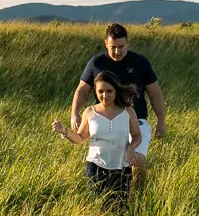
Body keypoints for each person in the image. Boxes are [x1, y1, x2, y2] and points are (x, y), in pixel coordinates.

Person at [70, 23, 166, 190]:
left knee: (136, 159)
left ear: (127, 42)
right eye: (113, 47)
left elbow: (155, 93)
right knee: (108, 163)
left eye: (121, 47)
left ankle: (137, 195)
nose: (117, 52)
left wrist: (161, 120)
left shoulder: (140, 62)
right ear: (105, 43)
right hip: (105, 120)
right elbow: (82, 90)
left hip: (137, 120)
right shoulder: (96, 63)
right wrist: (75, 114)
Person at [52, 71, 143, 208]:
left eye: (109, 91)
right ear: (95, 90)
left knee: (121, 208)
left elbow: (137, 135)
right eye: (100, 91)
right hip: (96, 167)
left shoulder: (128, 111)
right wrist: (65, 131)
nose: (104, 95)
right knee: (100, 207)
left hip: (122, 167)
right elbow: (80, 138)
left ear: (116, 90)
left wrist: (131, 147)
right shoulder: (90, 112)